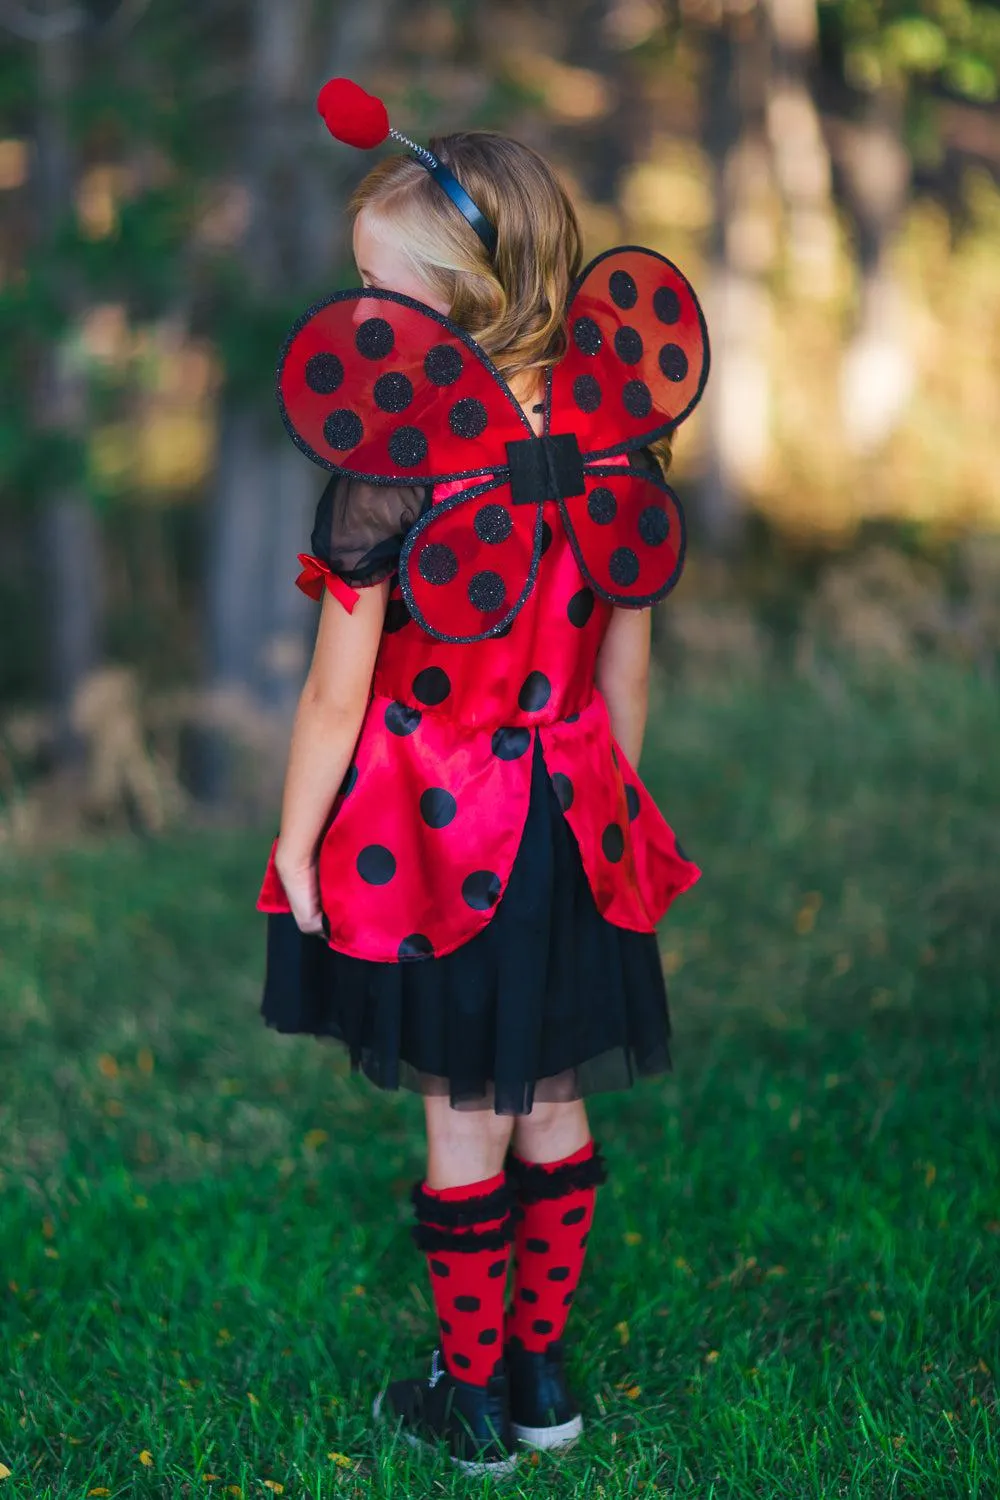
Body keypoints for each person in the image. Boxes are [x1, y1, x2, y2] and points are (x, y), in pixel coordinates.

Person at [256, 78, 709, 1479]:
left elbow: (339, 688)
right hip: (575, 816)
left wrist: (293, 843)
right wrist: (604, 807)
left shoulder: (394, 474)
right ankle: (543, 1374)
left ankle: (469, 1399)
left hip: (436, 835)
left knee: (465, 1114)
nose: (362, 326)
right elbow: (623, 669)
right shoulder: (620, 441)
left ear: (456, 310)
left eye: (380, 299)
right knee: (552, 1097)